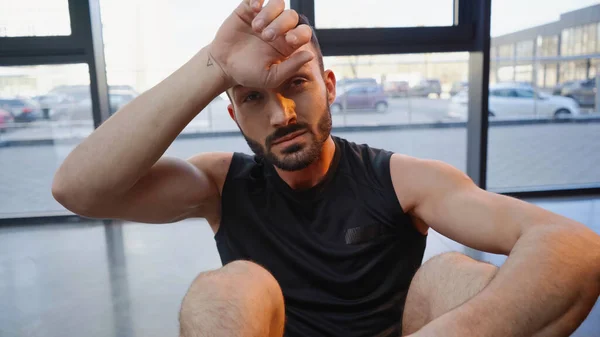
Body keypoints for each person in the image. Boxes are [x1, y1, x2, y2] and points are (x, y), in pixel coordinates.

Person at [52, 1, 600, 336]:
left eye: (297, 84)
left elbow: (574, 247)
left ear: (329, 86)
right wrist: (214, 66)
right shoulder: (221, 185)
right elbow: (78, 189)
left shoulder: (401, 178)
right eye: (254, 99)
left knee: (456, 277)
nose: (283, 113)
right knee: (230, 287)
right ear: (234, 114)